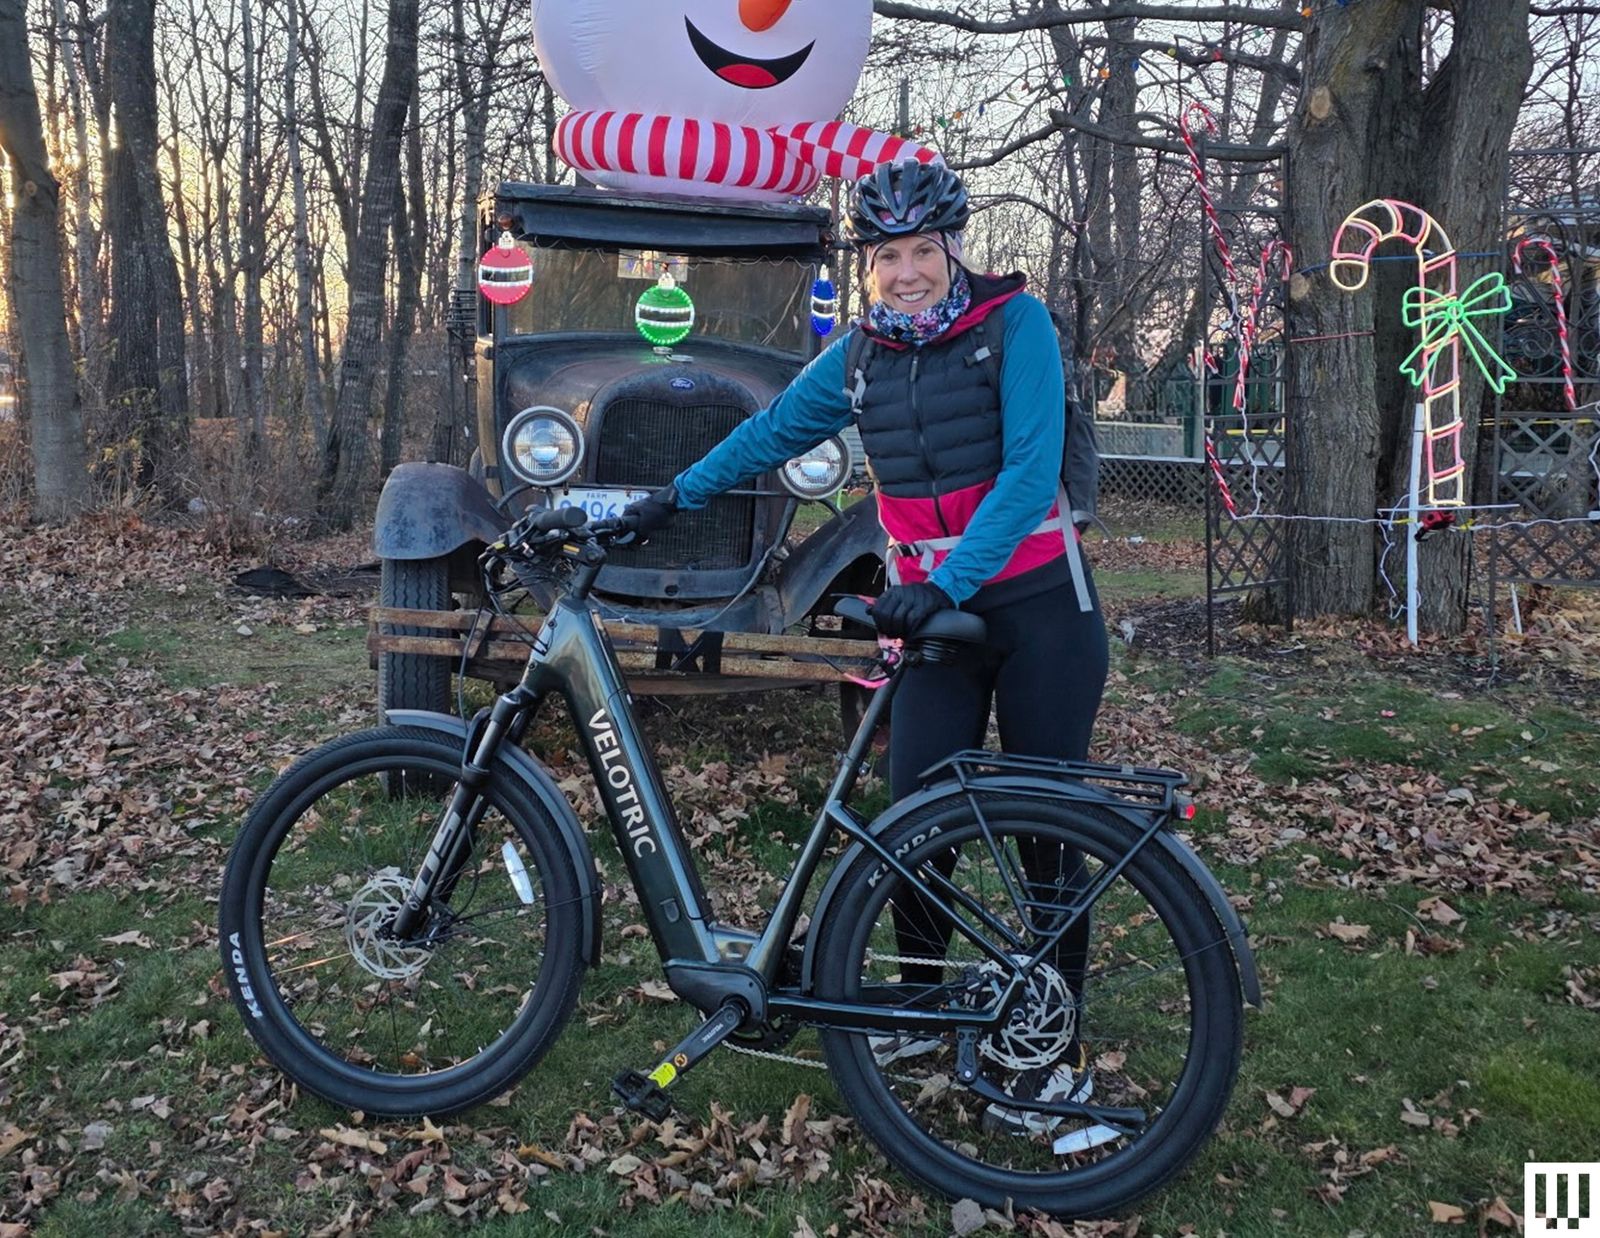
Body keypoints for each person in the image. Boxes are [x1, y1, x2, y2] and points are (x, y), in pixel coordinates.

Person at [622, 159, 1110, 1134]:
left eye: (923, 251)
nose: (907, 272)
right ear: (868, 265)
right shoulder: (859, 355)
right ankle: (920, 1006)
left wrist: (943, 584)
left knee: (1045, 830)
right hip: (932, 615)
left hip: (1040, 605)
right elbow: (769, 433)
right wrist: (672, 496)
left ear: (954, 249)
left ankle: (1052, 1042)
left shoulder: (1016, 326)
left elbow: (1028, 474)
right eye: (888, 256)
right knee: (912, 819)